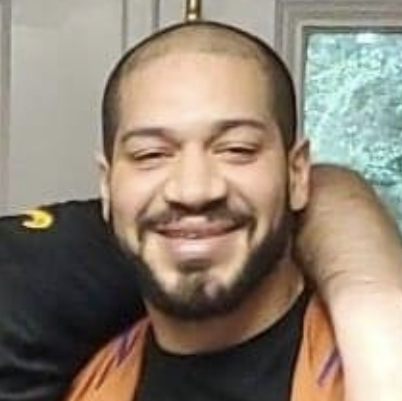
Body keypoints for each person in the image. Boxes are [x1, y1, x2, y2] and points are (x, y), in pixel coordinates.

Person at [59, 21, 402, 401]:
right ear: (107, 185)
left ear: (297, 174)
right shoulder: (87, 383)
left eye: (237, 149)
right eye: (150, 154)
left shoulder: (377, 363)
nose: (193, 191)